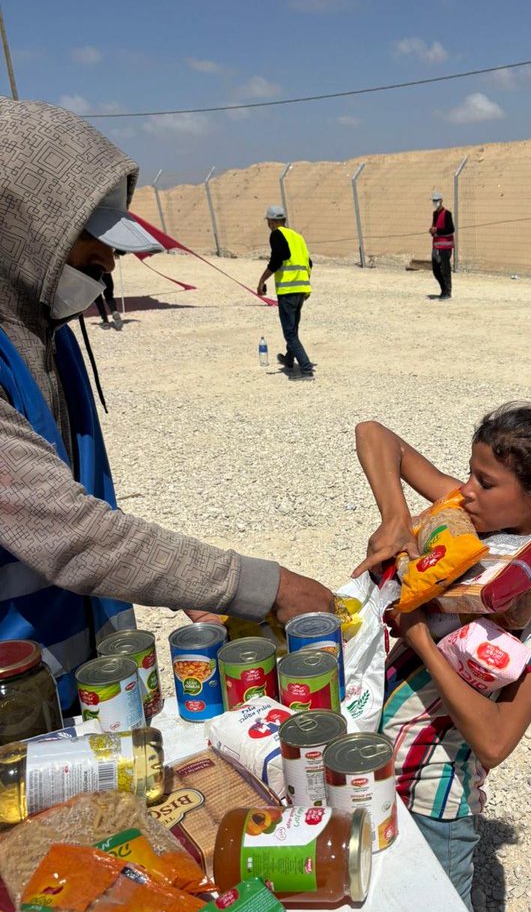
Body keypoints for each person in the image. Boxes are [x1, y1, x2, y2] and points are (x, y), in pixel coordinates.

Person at [0, 99, 333, 712]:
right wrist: (263, 586)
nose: (110, 262)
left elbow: (84, 502)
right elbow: (64, 529)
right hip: (12, 691)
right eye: (90, 238)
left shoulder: (47, 337)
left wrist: (188, 585)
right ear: (22, 225)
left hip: (66, 677)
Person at [353, 404, 531, 912]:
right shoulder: (472, 525)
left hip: (433, 795)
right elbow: (374, 433)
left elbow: (495, 742)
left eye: (485, 482)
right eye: (470, 474)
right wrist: (395, 517)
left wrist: (419, 637)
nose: (466, 490)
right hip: (369, 761)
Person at [256, 205, 314, 379]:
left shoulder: (276, 234)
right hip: (302, 289)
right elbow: (309, 263)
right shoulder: (297, 236)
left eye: (268, 221)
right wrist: (304, 284)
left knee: (289, 333)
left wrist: (262, 280)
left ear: (272, 222)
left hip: (288, 290)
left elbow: (277, 260)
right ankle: (289, 359)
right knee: (293, 328)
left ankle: (306, 369)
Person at [429, 191, 454, 300]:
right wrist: (432, 231)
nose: (435, 202)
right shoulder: (435, 214)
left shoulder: (447, 214)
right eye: (434, 201)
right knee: (436, 270)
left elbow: (451, 229)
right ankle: (443, 289)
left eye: (437, 200)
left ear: (441, 201)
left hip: (445, 247)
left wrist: (437, 230)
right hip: (436, 246)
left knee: (445, 270)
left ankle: (447, 292)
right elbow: (435, 227)